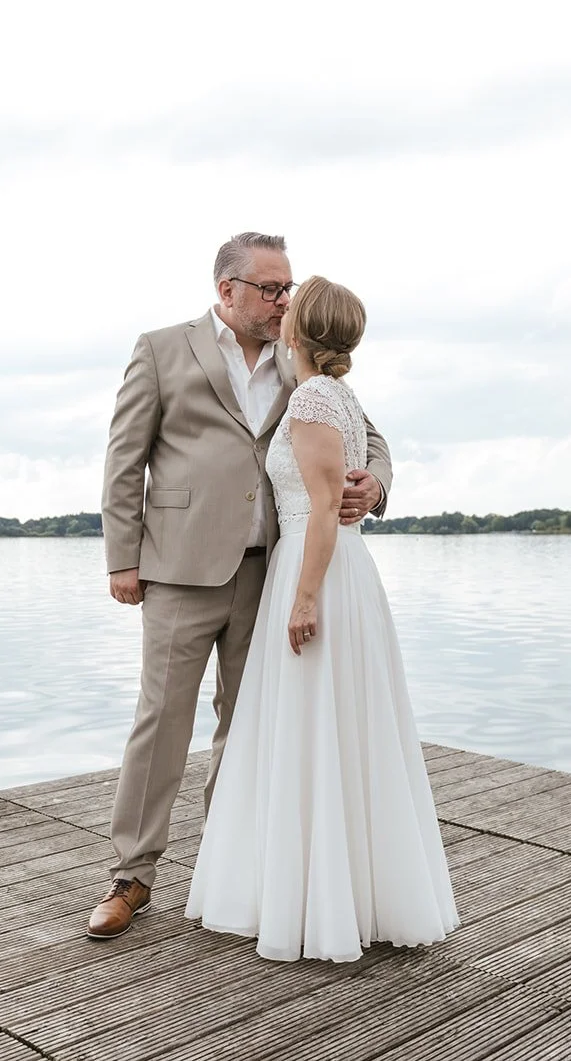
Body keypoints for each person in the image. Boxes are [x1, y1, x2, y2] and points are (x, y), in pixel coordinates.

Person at [89, 235, 393, 939]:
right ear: (227, 290)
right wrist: (122, 559)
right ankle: (131, 875)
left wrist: (374, 484)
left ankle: (230, 869)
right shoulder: (161, 349)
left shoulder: (300, 358)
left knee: (249, 723)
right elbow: (124, 459)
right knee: (161, 719)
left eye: (287, 288)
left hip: (273, 568)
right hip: (179, 568)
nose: (284, 300)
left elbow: (369, 436)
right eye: (270, 288)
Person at [185, 275, 458, 962]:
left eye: (290, 303)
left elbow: (324, 507)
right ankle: (347, 892)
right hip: (343, 571)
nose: (279, 308)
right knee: (342, 726)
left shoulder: (311, 397)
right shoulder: (339, 393)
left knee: (311, 723)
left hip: (317, 569)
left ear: (300, 328)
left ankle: (314, 899)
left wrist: (304, 598)